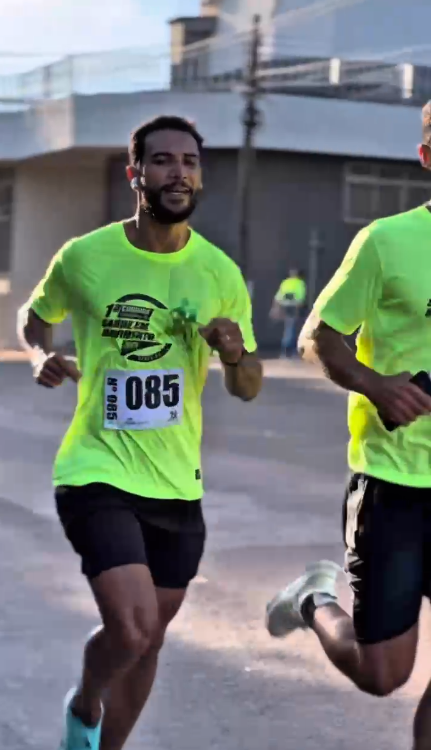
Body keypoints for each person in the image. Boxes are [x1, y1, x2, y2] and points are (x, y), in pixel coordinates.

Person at [18, 115, 262, 750]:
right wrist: (39, 353)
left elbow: (248, 385)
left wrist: (236, 353)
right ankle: (86, 702)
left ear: (199, 177)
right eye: (162, 161)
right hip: (96, 468)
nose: (178, 172)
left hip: (178, 483)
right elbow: (35, 316)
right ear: (135, 175)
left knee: (149, 639)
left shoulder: (219, 273)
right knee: (130, 629)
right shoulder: (86, 256)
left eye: (189, 162)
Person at [266, 101, 431, 750]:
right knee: (383, 674)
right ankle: (313, 600)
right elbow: (319, 337)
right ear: (427, 158)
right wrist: (377, 385)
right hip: (394, 482)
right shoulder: (386, 242)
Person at [270, 269, 306, 357]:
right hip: (293, 306)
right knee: (291, 328)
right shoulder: (300, 283)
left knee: (288, 328)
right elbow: (301, 296)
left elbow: (278, 296)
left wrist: (275, 307)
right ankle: (288, 349)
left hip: (284, 305)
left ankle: (285, 349)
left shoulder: (286, 282)